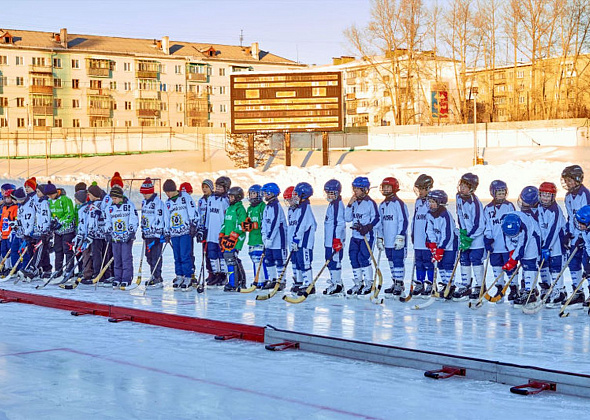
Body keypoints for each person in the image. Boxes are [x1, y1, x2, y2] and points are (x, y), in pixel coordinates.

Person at [345, 176, 380, 296]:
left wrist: (367, 227)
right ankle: (358, 283)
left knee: (363, 258)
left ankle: (369, 283)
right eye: (354, 188)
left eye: (358, 189)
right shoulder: (354, 203)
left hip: (366, 237)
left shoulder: (370, 203)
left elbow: (377, 218)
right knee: (353, 257)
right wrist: (349, 205)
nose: (355, 191)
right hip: (355, 237)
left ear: (365, 189)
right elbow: (347, 218)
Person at [375, 177, 409, 297]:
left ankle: (400, 283)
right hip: (388, 240)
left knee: (398, 261)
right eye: (384, 187)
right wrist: (380, 238)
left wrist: (401, 236)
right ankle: (394, 282)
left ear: (394, 188)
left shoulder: (398, 204)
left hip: (397, 239)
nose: (386, 189)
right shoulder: (382, 205)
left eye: (388, 187)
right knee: (391, 261)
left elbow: (403, 220)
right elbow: (380, 223)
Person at [454, 173, 485, 301]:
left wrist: (470, 236)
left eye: (465, 186)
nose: (462, 188)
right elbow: (460, 215)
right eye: (461, 185)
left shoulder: (475, 202)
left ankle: (479, 286)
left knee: (475, 259)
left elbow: (479, 224)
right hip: (466, 234)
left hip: (476, 237)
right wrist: (462, 232)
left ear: (472, 188)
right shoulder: (458, 197)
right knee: (464, 258)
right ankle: (466, 285)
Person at [483, 180, 516, 301]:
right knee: (496, 266)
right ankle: (499, 288)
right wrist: (488, 238)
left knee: (510, 267)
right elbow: (487, 225)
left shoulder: (509, 206)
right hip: (495, 245)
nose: (501, 194)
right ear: (493, 193)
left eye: (503, 192)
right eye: (499, 192)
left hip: (508, 245)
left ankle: (514, 287)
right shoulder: (488, 209)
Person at [561, 165, 590, 305]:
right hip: (575, 236)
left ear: (578, 179)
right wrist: (568, 232)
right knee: (573, 263)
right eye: (566, 180)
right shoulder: (568, 196)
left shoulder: (585, 194)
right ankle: (578, 292)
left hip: (586, 236)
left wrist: (583, 236)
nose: (567, 183)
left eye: (570, 180)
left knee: (587, 263)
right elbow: (570, 217)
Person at [163, 179, 198, 290]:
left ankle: (188, 276)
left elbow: (192, 210)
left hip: (185, 232)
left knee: (185, 255)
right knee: (176, 256)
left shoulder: (185, 197)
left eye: (169, 192)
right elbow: (166, 218)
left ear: (174, 190)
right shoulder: (167, 203)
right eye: (166, 192)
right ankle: (179, 275)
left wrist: (193, 224)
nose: (167, 194)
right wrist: (167, 231)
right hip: (174, 233)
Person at [537, 182, 567, 306]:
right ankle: (547, 288)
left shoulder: (555, 210)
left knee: (555, 266)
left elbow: (553, 230)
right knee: (543, 264)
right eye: (543, 195)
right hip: (544, 243)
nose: (545, 198)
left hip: (556, 243)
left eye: (548, 196)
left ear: (553, 197)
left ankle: (559, 291)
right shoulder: (538, 207)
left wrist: (546, 246)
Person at [425, 190, 458, 298]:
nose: (431, 204)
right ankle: (445, 284)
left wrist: (441, 248)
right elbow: (429, 230)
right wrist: (433, 244)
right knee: (440, 265)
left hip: (449, 246)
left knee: (448, 265)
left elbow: (447, 235)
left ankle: (450, 286)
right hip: (439, 245)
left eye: (433, 202)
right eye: (429, 201)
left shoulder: (445, 215)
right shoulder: (429, 215)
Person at [105, 186, 139, 289]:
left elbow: (134, 219)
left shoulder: (129, 205)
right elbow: (107, 221)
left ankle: (126, 279)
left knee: (126, 258)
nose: (113, 201)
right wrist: (108, 232)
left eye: (115, 198)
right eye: (112, 199)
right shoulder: (110, 208)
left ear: (120, 197)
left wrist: (131, 232)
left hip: (126, 237)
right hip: (115, 237)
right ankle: (117, 278)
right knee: (117, 258)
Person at [140, 177, 170, 288]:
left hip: (156, 235)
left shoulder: (158, 203)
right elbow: (143, 217)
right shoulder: (144, 203)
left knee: (155, 256)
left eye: (145, 193)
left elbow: (160, 218)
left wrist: (158, 234)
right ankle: (152, 274)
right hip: (147, 234)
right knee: (149, 256)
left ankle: (157, 276)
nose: (144, 195)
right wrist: (143, 229)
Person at [219, 186, 247, 291]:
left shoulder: (240, 209)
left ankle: (235, 283)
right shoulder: (229, 209)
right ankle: (237, 281)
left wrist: (234, 234)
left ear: (237, 197)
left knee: (231, 258)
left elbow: (243, 225)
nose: (229, 198)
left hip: (236, 239)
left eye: (231, 197)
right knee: (230, 258)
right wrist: (221, 234)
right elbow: (225, 224)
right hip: (228, 239)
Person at [291, 182, 317, 295]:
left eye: (297, 194)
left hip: (305, 242)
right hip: (301, 241)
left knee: (305, 262)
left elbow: (302, 225)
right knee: (300, 262)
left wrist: (296, 238)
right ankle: (302, 282)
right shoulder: (301, 207)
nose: (295, 196)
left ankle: (309, 285)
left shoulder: (305, 207)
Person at [411, 174, 435, 297]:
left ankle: (430, 283)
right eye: (418, 189)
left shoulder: (431, 202)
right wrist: (412, 233)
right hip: (418, 239)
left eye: (422, 189)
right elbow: (415, 218)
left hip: (427, 239)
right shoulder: (418, 202)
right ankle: (419, 283)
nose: (420, 192)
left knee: (428, 261)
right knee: (419, 262)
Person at [46, 182, 77, 278]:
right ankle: (58, 270)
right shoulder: (50, 201)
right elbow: (51, 214)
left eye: (51, 194)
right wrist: (52, 222)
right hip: (57, 231)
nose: (50, 197)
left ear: (55, 192)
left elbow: (70, 214)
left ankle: (69, 270)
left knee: (67, 250)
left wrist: (61, 222)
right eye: (48, 195)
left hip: (67, 230)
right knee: (58, 250)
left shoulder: (65, 200)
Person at [261, 182, 288, 290]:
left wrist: (270, 238)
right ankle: (272, 279)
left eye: (266, 193)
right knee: (269, 259)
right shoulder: (267, 207)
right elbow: (264, 222)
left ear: (272, 193)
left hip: (278, 240)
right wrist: (264, 236)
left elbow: (275, 224)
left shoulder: (276, 206)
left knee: (279, 260)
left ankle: (281, 281)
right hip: (268, 240)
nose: (264, 195)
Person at [205, 176, 231, 286]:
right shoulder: (210, 199)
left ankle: (223, 275)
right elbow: (208, 215)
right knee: (212, 254)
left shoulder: (226, 201)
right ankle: (215, 274)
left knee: (221, 255)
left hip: (220, 233)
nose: (218, 189)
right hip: (211, 232)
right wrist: (205, 229)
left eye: (220, 187)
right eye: (217, 187)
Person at [241, 184, 268, 288]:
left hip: (260, 239)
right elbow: (248, 222)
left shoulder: (262, 206)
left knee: (260, 260)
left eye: (254, 193)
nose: (252, 195)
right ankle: (256, 280)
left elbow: (265, 222)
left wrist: (255, 225)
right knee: (254, 259)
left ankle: (263, 280)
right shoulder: (250, 209)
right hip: (252, 239)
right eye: (250, 193)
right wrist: (246, 225)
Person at [322, 179, 346, 295]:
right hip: (328, 240)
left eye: (332, 193)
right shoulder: (331, 205)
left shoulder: (338, 205)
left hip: (334, 240)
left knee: (335, 261)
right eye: (328, 193)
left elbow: (340, 223)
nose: (330, 195)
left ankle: (338, 285)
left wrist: (337, 239)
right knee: (329, 260)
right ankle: (334, 282)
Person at [85, 183, 111, 286]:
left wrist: (90, 234)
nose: (88, 196)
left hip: (96, 235)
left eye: (89, 194)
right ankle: (106, 275)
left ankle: (98, 275)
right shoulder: (104, 204)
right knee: (105, 255)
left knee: (97, 256)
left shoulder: (94, 206)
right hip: (103, 234)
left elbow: (92, 221)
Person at [197, 179, 214, 284]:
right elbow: (199, 215)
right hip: (204, 229)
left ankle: (216, 273)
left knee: (213, 252)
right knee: (205, 252)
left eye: (206, 187)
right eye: (203, 187)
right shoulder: (201, 201)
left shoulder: (214, 199)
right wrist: (199, 229)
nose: (204, 189)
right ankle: (210, 273)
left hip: (212, 228)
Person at [284, 186, 300, 291]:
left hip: (298, 241)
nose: (289, 202)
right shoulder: (290, 210)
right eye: (287, 200)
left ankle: (301, 280)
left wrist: (297, 239)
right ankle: (296, 280)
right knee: (293, 261)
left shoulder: (301, 210)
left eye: (290, 200)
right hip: (291, 241)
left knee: (300, 261)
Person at [11, 188, 30, 273]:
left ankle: (25, 268)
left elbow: (29, 220)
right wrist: (16, 224)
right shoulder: (21, 206)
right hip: (19, 232)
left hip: (25, 233)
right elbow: (20, 218)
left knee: (25, 252)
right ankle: (17, 269)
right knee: (16, 250)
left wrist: (27, 232)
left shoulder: (27, 206)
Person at [0, 188, 18, 275]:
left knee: (11, 250)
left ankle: (12, 267)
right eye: (5, 198)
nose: (7, 200)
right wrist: (0, 230)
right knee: (4, 250)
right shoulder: (4, 208)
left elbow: (15, 220)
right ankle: (6, 267)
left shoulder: (15, 207)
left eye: (8, 198)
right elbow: (2, 221)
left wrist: (13, 230)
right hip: (4, 234)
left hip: (10, 234)